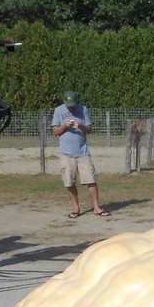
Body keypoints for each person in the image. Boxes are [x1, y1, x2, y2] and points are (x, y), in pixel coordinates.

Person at [52, 90, 110, 218]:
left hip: (82, 152)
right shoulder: (58, 111)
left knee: (91, 179)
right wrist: (65, 126)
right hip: (66, 153)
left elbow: (89, 130)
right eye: (69, 105)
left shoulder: (83, 109)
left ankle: (97, 208)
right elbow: (55, 132)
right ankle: (76, 209)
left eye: (73, 104)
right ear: (63, 101)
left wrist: (81, 126)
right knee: (69, 182)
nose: (71, 107)